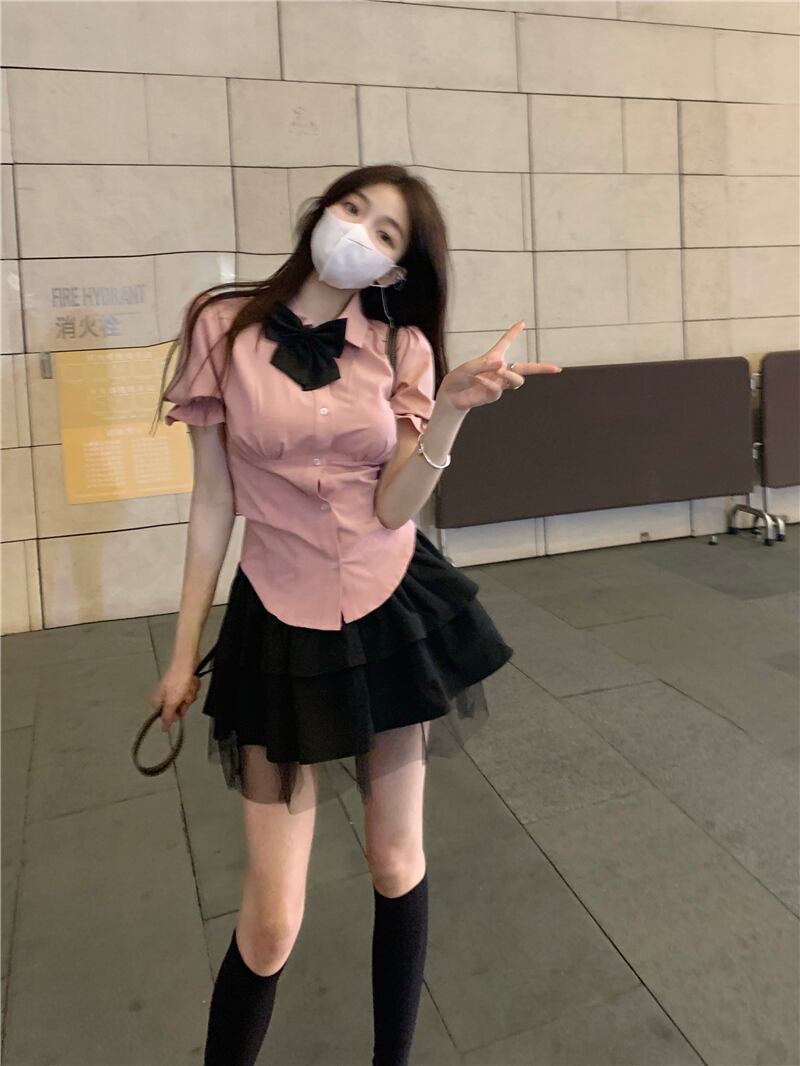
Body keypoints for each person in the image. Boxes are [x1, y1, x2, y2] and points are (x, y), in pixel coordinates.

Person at [150, 164, 561, 1066]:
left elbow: (392, 507)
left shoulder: (401, 345)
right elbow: (213, 501)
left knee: (396, 861)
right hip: (278, 616)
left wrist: (450, 413)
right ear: (321, 210)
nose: (358, 233)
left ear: (395, 268)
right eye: (353, 209)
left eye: (385, 233)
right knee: (271, 920)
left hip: (386, 603)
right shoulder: (221, 324)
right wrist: (182, 652)